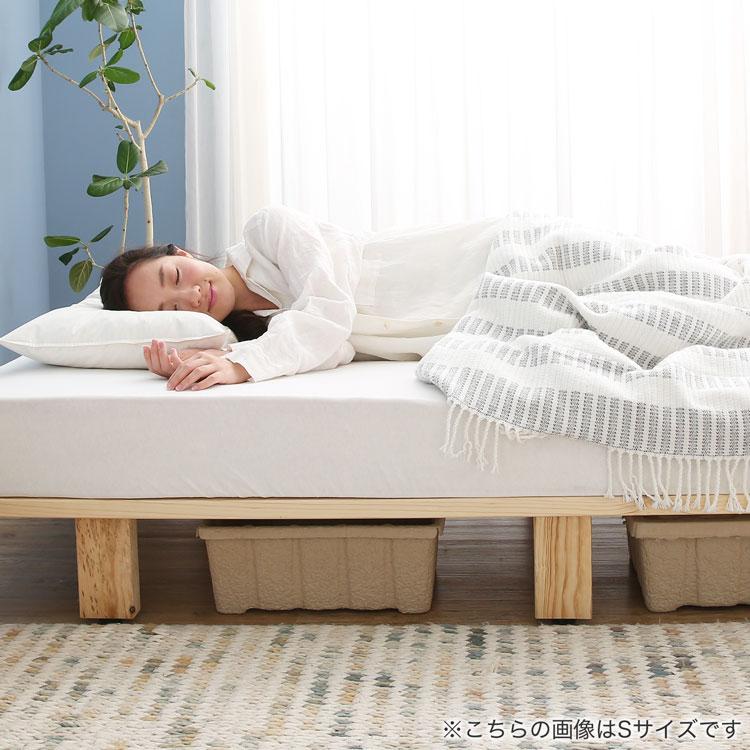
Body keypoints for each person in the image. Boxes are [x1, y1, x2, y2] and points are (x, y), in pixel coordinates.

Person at [99, 204, 504, 390]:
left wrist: (240, 365)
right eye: (172, 309)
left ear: (182, 254)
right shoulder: (256, 334)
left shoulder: (267, 231)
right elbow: (337, 348)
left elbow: (330, 312)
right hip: (457, 322)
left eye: (175, 275)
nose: (191, 295)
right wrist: (195, 358)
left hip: (463, 263)